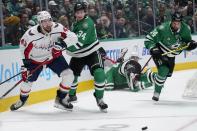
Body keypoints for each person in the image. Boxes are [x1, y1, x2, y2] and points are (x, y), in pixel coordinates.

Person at [10, 11, 77, 111]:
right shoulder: (30, 35)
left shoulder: (57, 27)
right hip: (35, 60)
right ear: (39, 23)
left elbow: (73, 37)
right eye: (44, 21)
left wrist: (62, 44)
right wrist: (26, 66)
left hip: (53, 57)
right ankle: (22, 100)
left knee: (69, 74)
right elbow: (23, 49)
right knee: (27, 82)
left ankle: (61, 99)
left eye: (49, 20)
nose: (48, 24)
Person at [142, 12, 197, 101]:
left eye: (178, 23)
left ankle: (145, 76)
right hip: (160, 52)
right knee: (164, 70)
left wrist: (190, 46)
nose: (176, 25)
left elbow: (186, 44)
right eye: (174, 23)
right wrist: (153, 49)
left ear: (181, 22)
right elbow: (149, 39)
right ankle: (156, 93)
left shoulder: (186, 29)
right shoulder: (162, 28)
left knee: (166, 74)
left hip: (171, 55)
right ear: (171, 21)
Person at [67, 2, 108, 112]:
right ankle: (71, 95)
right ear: (75, 13)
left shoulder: (87, 23)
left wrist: (64, 46)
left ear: (85, 12)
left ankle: (99, 98)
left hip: (92, 52)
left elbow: (78, 43)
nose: (79, 14)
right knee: (71, 76)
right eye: (77, 12)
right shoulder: (75, 23)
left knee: (99, 74)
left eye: (81, 12)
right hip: (78, 54)